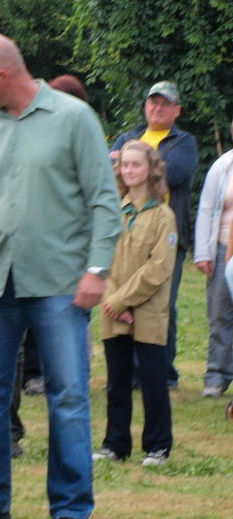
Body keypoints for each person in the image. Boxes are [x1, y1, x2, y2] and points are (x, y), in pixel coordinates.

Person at [0, 32, 122, 519]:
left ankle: (70, 510)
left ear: (4, 75)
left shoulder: (73, 118)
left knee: (67, 397)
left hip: (59, 283)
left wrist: (97, 269)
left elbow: (103, 199)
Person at [110, 81, 198, 389]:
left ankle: (164, 373)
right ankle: (131, 373)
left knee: (161, 306)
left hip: (166, 234)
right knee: (125, 299)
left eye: (164, 103)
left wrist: (126, 160)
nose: (157, 108)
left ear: (177, 110)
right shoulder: (128, 136)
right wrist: (127, 161)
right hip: (128, 235)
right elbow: (111, 172)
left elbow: (173, 173)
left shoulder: (184, 141)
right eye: (152, 102)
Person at [94, 141, 176, 466]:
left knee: (153, 381)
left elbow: (159, 268)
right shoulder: (113, 211)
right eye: (124, 164)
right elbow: (102, 257)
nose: (129, 170)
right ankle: (115, 444)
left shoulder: (163, 216)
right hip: (113, 310)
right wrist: (113, 299)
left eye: (136, 164)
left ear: (151, 169)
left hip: (147, 310)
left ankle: (158, 446)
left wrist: (122, 299)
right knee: (117, 382)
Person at [193, 123, 233, 398]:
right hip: (222, 249)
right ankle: (216, 377)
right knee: (220, 314)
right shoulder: (224, 165)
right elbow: (206, 209)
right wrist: (203, 253)